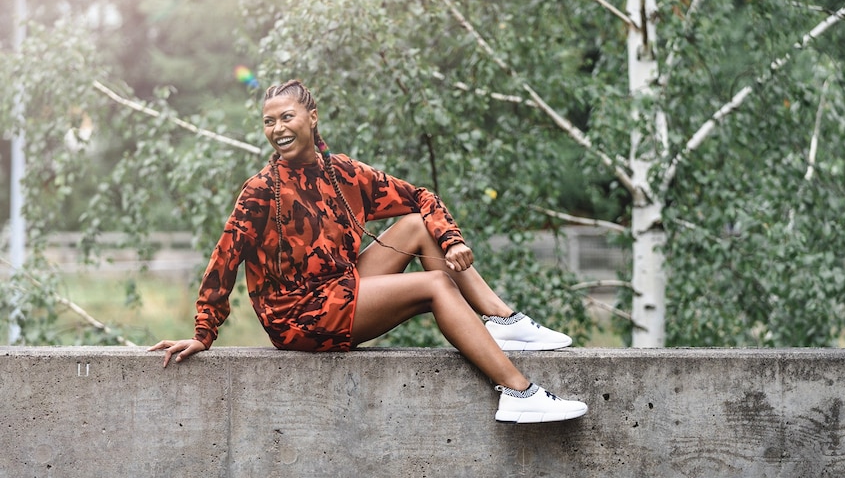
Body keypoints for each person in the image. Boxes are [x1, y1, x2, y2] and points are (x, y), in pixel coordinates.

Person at [149, 80, 587, 423]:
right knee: (435, 285)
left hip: (339, 288)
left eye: (286, 117)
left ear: (312, 117)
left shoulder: (342, 173)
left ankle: (501, 320)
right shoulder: (262, 191)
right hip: (298, 318)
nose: (277, 129)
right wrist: (203, 333)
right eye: (268, 122)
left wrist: (451, 240)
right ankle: (518, 394)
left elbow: (420, 197)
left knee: (416, 226)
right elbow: (223, 261)